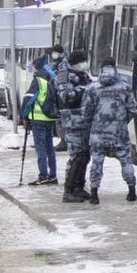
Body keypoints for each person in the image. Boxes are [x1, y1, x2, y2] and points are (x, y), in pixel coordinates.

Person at [81, 57, 137, 205]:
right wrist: (122, 122)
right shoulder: (125, 87)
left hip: (98, 133)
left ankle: (94, 194)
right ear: (115, 67)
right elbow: (132, 109)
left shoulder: (93, 88)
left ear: (101, 68)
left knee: (97, 162)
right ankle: (132, 190)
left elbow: (86, 112)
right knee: (125, 160)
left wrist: (92, 123)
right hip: (120, 133)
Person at [58, 50, 93, 202]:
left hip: (84, 121)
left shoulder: (83, 75)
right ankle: (69, 190)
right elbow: (66, 96)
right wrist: (85, 90)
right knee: (76, 156)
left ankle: (79, 186)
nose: (85, 64)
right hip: (72, 121)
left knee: (85, 155)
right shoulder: (64, 75)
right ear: (76, 63)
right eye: (83, 61)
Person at [25, 55, 59, 186]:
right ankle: (53, 175)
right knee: (50, 147)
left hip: (38, 118)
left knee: (41, 149)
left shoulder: (38, 80)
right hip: (50, 117)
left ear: (36, 67)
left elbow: (29, 99)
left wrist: (25, 114)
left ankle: (43, 175)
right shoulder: (52, 78)